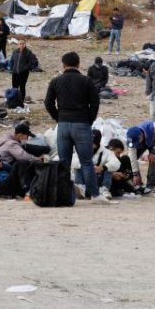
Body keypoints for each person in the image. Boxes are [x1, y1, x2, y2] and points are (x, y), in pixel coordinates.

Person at [44, 51, 106, 203]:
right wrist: (89, 120)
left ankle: (64, 195)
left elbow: (48, 103)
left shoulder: (56, 81)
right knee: (86, 161)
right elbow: (95, 103)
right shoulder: (86, 81)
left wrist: (58, 118)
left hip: (63, 125)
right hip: (82, 124)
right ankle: (95, 195)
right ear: (78, 64)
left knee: (64, 162)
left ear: (63, 65)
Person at [125, 120, 155, 195]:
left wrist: (153, 152)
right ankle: (138, 184)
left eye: (136, 144)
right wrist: (135, 174)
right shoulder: (132, 140)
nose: (135, 146)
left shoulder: (153, 127)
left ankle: (150, 186)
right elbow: (132, 158)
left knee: (153, 160)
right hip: (142, 143)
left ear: (141, 137)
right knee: (129, 160)